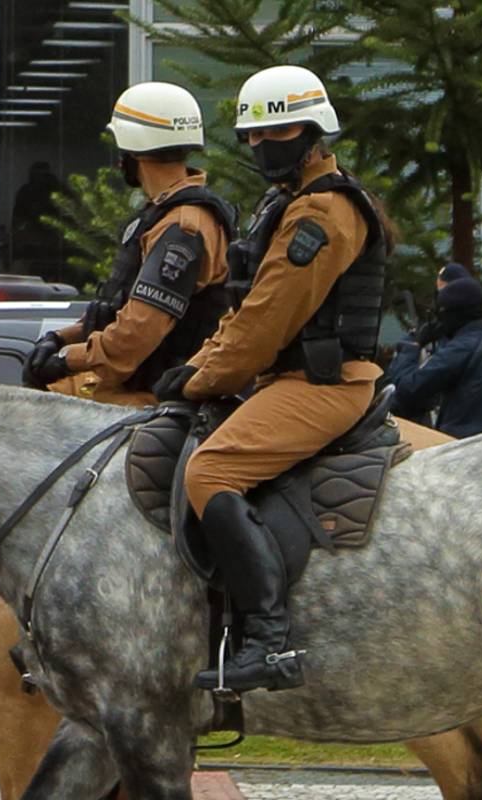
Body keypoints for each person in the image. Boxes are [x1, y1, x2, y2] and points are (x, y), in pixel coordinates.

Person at [154, 65, 394, 692]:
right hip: (283, 381)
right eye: (252, 137)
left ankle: (267, 640)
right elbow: (243, 310)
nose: (263, 146)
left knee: (211, 471)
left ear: (313, 131)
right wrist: (201, 365)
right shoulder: (286, 202)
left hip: (325, 385)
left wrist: (203, 380)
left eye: (277, 131)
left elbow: (266, 322)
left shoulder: (325, 212)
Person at [21, 81, 235, 406]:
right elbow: (119, 310)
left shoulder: (182, 227)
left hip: (148, 401)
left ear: (135, 148)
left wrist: (66, 360)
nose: (119, 158)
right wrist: (58, 338)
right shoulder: (163, 216)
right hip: (125, 392)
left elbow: (137, 334)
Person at [386, 275, 482, 438]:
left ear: (450, 314)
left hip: (468, 446)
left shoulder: (462, 348)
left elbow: (407, 390)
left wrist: (411, 346)